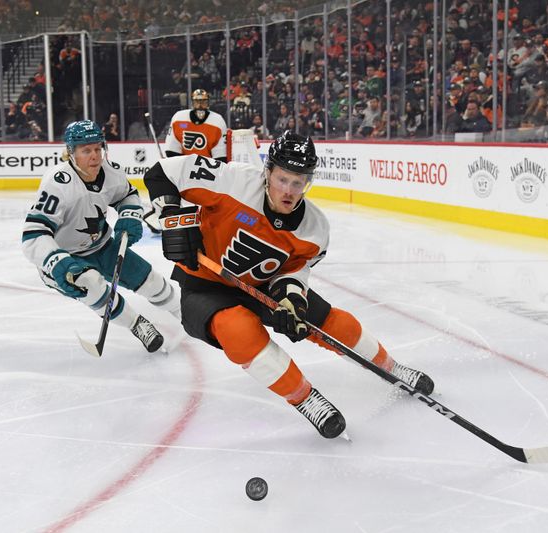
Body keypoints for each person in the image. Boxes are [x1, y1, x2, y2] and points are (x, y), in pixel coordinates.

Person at [143, 131, 434, 439]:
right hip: (204, 282)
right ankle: (305, 398)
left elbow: (295, 272)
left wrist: (291, 301)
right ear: (267, 172)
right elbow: (162, 173)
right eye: (282, 179)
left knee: (329, 321)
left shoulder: (315, 229)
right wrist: (175, 219)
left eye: (299, 183)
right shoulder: (232, 181)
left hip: (263, 283)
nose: (289, 191)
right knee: (238, 329)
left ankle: (391, 368)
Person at [22, 120, 181, 353]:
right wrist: (59, 262)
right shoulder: (58, 183)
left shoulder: (111, 171)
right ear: (71, 153)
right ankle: (137, 324)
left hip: (103, 245)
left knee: (151, 280)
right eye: (86, 151)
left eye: (97, 148)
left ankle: (183, 312)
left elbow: (127, 195)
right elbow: (33, 235)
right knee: (91, 284)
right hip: (68, 258)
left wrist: (129, 216)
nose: (95, 156)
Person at [163, 89, 227, 161]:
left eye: (203, 102)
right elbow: (172, 151)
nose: (200, 105)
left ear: (208, 103)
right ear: (192, 103)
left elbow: (220, 157)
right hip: (184, 166)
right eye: (197, 102)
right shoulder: (178, 119)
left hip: (207, 169)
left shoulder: (217, 121)